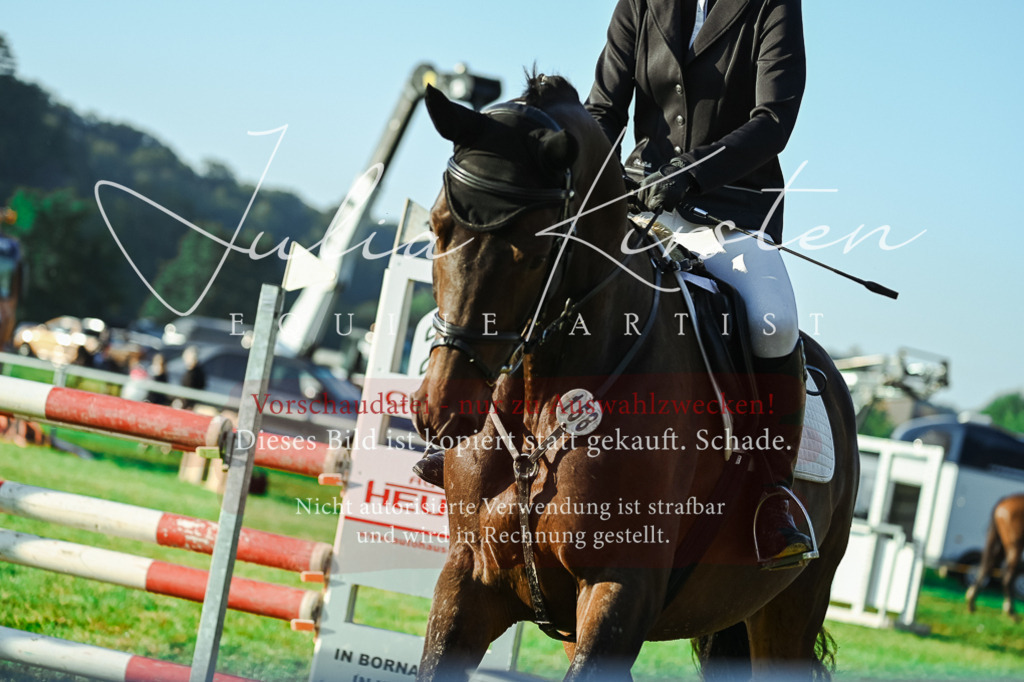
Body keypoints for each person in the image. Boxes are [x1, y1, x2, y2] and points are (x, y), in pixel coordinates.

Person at [585, 0, 812, 568]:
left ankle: (771, 492)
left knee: (774, 320)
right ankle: (493, 440)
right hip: (639, 204)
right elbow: (604, 108)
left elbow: (774, 119)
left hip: (728, 209)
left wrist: (691, 173)